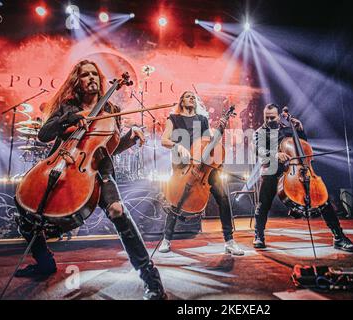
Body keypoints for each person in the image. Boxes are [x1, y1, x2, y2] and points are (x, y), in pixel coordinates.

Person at [14, 60, 166, 300]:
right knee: (27, 213)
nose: (91, 78)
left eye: (94, 74)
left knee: (118, 211)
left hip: (99, 169)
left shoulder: (112, 110)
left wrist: (130, 138)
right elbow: (44, 134)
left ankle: (152, 280)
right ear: (78, 81)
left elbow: (108, 147)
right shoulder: (67, 107)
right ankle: (45, 264)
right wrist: (72, 118)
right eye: (85, 75)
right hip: (64, 163)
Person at [252, 104, 353, 252]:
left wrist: (300, 131)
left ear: (278, 116)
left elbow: (303, 147)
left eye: (273, 117)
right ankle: (258, 235)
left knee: (323, 199)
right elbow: (259, 149)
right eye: (267, 117)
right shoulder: (259, 133)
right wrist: (275, 154)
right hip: (271, 169)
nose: (270, 120)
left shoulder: (289, 129)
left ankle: (339, 237)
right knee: (263, 204)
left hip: (295, 169)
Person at [159, 91, 244, 255]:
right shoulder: (174, 118)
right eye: (187, 96)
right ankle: (166, 239)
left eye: (193, 97)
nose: (191, 98)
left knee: (223, 198)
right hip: (184, 164)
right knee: (177, 199)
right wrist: (177, 146)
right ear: (181, 101)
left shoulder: (202, 119)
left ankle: (229, 241)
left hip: (204, 166)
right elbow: (164, 140)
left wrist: (218, 133)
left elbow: (208, 143)